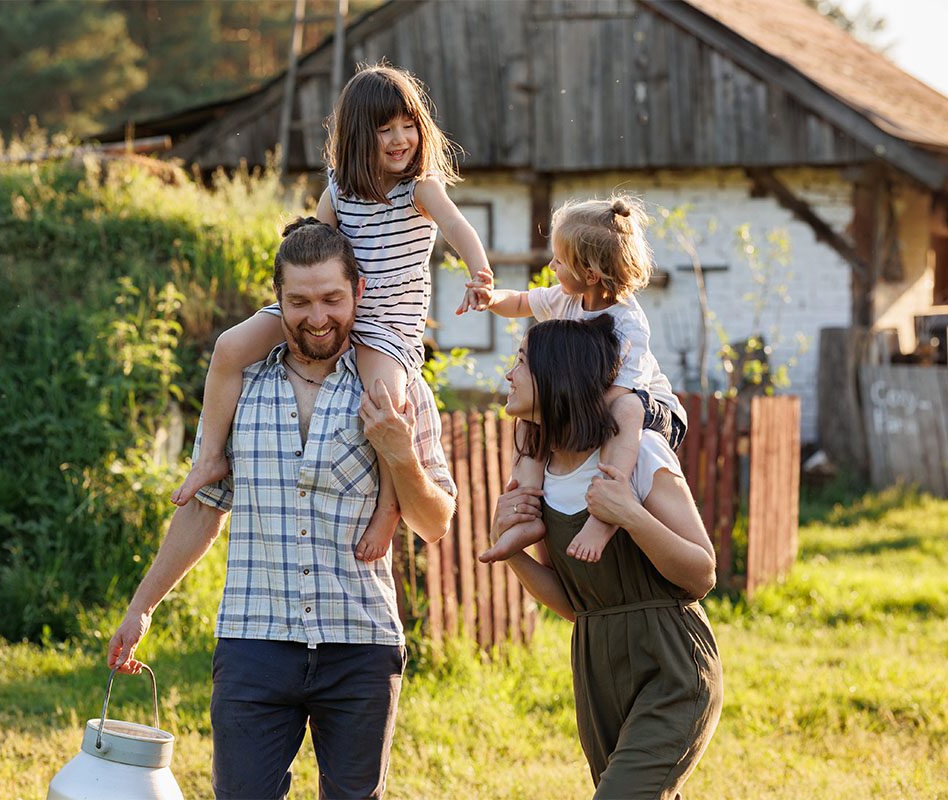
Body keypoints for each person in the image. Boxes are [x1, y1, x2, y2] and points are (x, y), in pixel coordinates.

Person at [109, 218, 457, 799]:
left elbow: (435, 522)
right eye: (299, 301)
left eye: (331, 299)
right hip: (254, 641)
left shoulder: (396, 388)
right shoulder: (240, 382)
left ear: (359, 294)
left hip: (360, 643)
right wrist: (142, 608)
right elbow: (204, 507)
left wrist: (400, 455)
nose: (317, 317)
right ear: (277, 300)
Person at [172, 63, 492, 567]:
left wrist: (480, 274)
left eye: (407, 125)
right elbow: (313, 244)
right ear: (357, 137)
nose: (399, 138)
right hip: (331, 305)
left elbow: (458, 226)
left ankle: (388, 506)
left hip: (385, 328)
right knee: (230, 347)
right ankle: (211, 455)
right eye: (383, 129)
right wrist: (291, 288)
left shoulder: (420, 188)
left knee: (384, 401)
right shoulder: (339, 189)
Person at [491, 317, 722, 800]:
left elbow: (702, 573)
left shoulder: (639, 454)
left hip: (672, 666)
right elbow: (578, 604)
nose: (508, 374)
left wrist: (631, 516)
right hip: (597, 669)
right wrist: (511, 554)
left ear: (557, 375)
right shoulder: (543, 474)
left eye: (520, 362)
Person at [474, 194, 686, 564]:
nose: (552, 265)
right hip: (594, 401)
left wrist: (569, 420)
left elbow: (618, 395)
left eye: (559, 260)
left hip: (652, 409)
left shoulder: (628, 324)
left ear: (590, 274)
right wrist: (491, 298)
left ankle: (605, 514)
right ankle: (527, 507)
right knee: (529, 417)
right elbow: (522, 303)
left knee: (627, 411)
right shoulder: (565, 299)